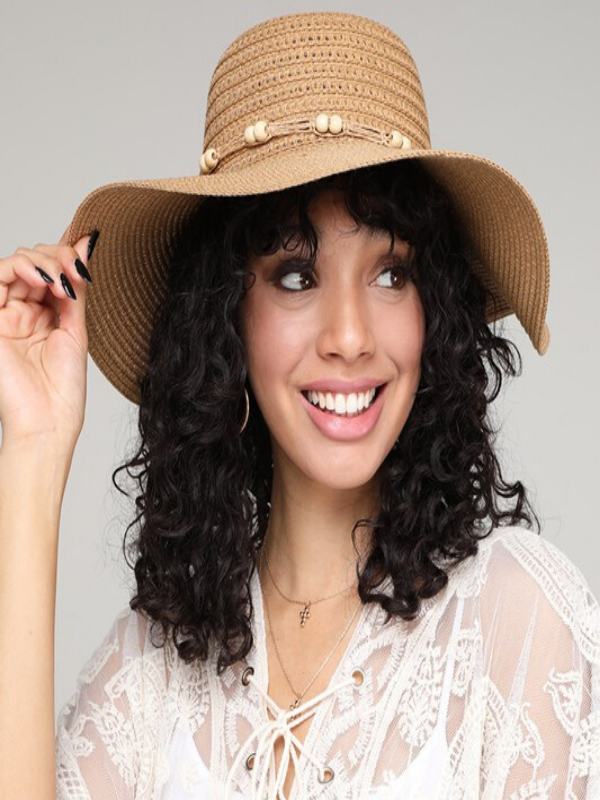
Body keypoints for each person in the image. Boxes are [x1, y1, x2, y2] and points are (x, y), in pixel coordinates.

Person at [0, 10, 598, 800]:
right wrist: (34, 451)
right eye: (294, 275)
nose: (350, 337)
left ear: (436, 310)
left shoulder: (518, 623)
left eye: (391, 273)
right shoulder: (148, 675)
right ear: (226, 319)